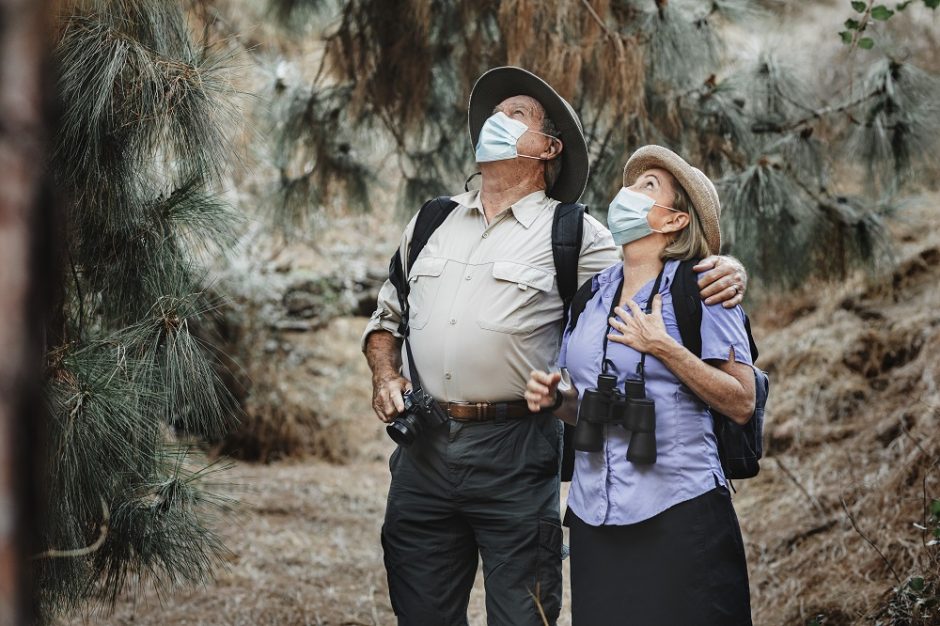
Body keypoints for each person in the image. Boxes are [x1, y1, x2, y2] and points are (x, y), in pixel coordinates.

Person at [363, 68, 748, 626]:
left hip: (516, 451)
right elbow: (385, 319)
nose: (497, 119)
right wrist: (384, 374)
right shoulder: (430, 221)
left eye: (517, 115)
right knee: (419, 610)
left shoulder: (574, 234)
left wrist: (728, 268)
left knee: (526, 614)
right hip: (423, 450)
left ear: (548, 148)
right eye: (495, 114)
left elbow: (649, 267)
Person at [525, 145, 756, 625]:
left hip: (681, 511)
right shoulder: (591, 294)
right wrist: (558, 399)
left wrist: (664, 347)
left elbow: (741, 402)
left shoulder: (706, 288)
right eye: (630, 184)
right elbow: (583, 401)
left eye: (647, 186)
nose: (627, 191)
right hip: (594, 516)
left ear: (674, 221)